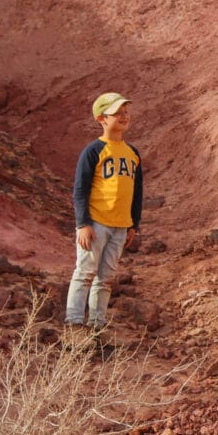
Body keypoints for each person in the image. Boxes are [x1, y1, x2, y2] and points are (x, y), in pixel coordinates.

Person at [67, 92, 142, 332]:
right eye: (117, 113)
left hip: (120, 225)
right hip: (96, 223)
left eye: (126, 112)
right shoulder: (93, 151)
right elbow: (80, 189)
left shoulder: (132, 153)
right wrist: (82, 224)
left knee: (106, 279)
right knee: (85, 273)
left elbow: (136, 191)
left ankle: (97, 326)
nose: (124, 116)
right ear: (102, 118)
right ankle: (74, 325)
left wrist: (134, 224)